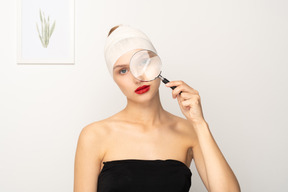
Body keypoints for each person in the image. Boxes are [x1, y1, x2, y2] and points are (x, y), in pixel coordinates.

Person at [74, 24, 241, 192]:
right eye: (123, 71)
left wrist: (199, 123)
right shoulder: (94, 135)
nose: (137, 78)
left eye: (143, 63)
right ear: (114, 79)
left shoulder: (190, 131)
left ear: (157, 65)